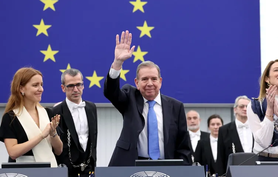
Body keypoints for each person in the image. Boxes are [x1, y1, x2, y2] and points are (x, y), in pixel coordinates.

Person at [103, 30, 192, 166]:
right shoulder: (130, 98)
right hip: (132, 165)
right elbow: (111, 92)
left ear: (160, 81)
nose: (149, 83)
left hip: (166, 167)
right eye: (144, 79)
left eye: (153, 79)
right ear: (136, 83)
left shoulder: (176, 107)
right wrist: (117, 63)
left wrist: (183, 170)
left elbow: (183, 145)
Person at [0, 67, 62, 167]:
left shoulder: (47, 113)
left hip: (50, 170)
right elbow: (13, 152)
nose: (41, 89)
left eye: (41, 85)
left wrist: (53, 133)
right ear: (21, 88)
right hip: (24, 170)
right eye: (35, 85)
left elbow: (59, 151)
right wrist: (41, 136)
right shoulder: (11, 117)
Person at [52, 68, 98, 177]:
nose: (76, 89)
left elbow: (93, 139)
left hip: (89, 169)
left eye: (79, 84)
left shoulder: (91, 107)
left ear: (83, 86)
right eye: (71, 86)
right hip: (65, 171)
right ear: (63, 88)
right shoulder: (56, 111)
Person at [216, 95, 252, 175]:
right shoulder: (224, 130)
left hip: (255, 172)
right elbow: (220, 157)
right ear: (235, 109)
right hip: (233, 173)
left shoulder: (257, 128)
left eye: (247, 107)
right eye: (242, 106)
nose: (245, 109)